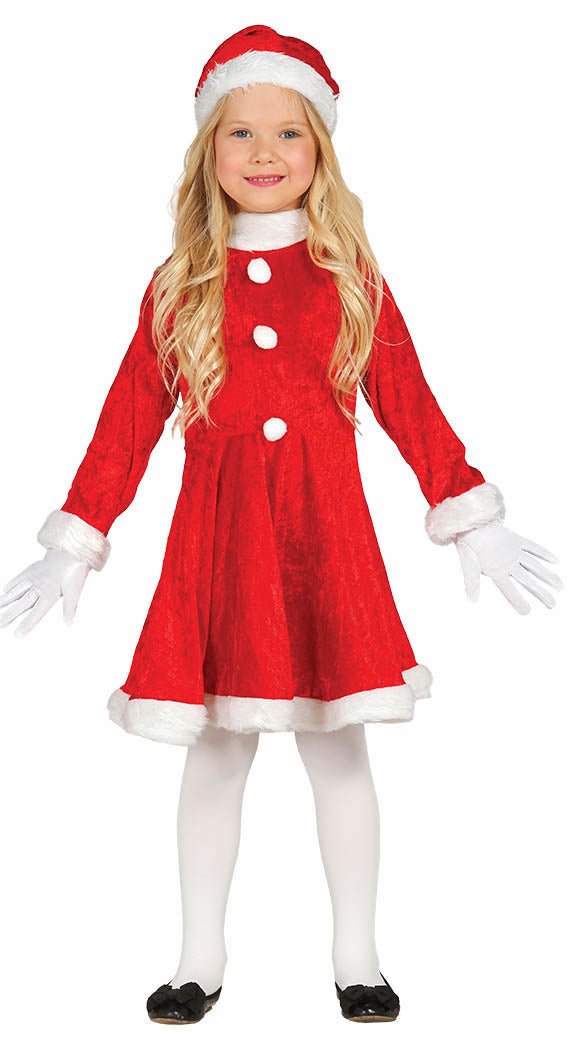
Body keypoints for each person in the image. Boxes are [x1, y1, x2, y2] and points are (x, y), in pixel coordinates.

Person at [0, 24, 562, 1026]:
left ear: (321, 149)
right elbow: (127, 419)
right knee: (217, 750)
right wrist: (74, 538)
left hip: (322, 544)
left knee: (337, 750)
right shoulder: (179, 284)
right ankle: (198, 957)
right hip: (220, 548)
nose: (265, 153)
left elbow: (409, 401)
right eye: (241, 133)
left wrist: (469, 513)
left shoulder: (349, 277)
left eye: (288, 133)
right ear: (208, 152)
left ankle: (358, 957)